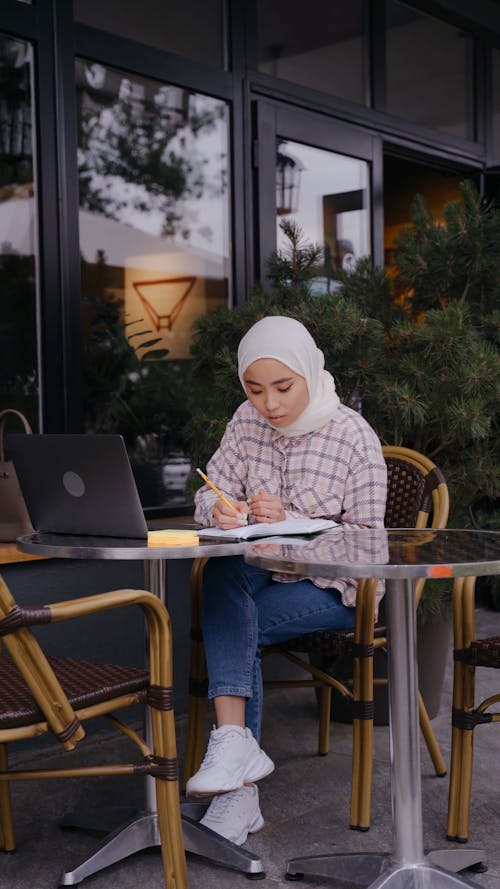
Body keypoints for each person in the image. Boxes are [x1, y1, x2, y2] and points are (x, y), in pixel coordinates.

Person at [187, 315, 387, 846]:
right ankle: (235, 744)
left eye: (282, 387)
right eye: (254, 390)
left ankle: (238, 791)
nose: (269, 405)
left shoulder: (353, 437)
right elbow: (208, 494)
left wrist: (292, 520)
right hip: (257, 576)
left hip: (332, 589)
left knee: (236, 624)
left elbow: (370, 544)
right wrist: (222, 511)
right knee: (223, 570)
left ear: (309, 372)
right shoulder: (245, 423)